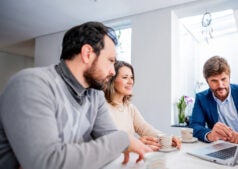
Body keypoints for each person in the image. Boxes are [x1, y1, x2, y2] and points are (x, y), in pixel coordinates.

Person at [0, 21, 152, 169]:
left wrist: (73, 155)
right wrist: (121, 140)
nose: (113, 71)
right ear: (87, 54)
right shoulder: (31, 84)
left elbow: (111, 140)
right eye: (110, 60)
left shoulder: (95, 95)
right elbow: (48, 163)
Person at [190, 56, 238, 144]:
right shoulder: (201, 98)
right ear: (207, 81)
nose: (220, 85)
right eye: (214, 81)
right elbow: (195, 125)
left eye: (223, 79)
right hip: (220, 146)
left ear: (229, 77)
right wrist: (210, 135)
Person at [104, 61, 181, 151]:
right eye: (125, 77)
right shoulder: (102, 108)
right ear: (112, 80)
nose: (131, 81)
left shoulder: (129, 107)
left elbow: (144, 128)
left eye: (132, 77)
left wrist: (166, 138)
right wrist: (136, 143)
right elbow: (109, 142)